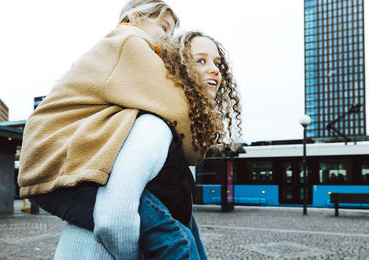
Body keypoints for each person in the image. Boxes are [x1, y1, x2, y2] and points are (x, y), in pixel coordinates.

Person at [53, 30, 242, 259]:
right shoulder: (154, 126)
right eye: (200, 61)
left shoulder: (175, 129)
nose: (214, 69)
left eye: (218, 63)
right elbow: (113, 216)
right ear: (177, 68)